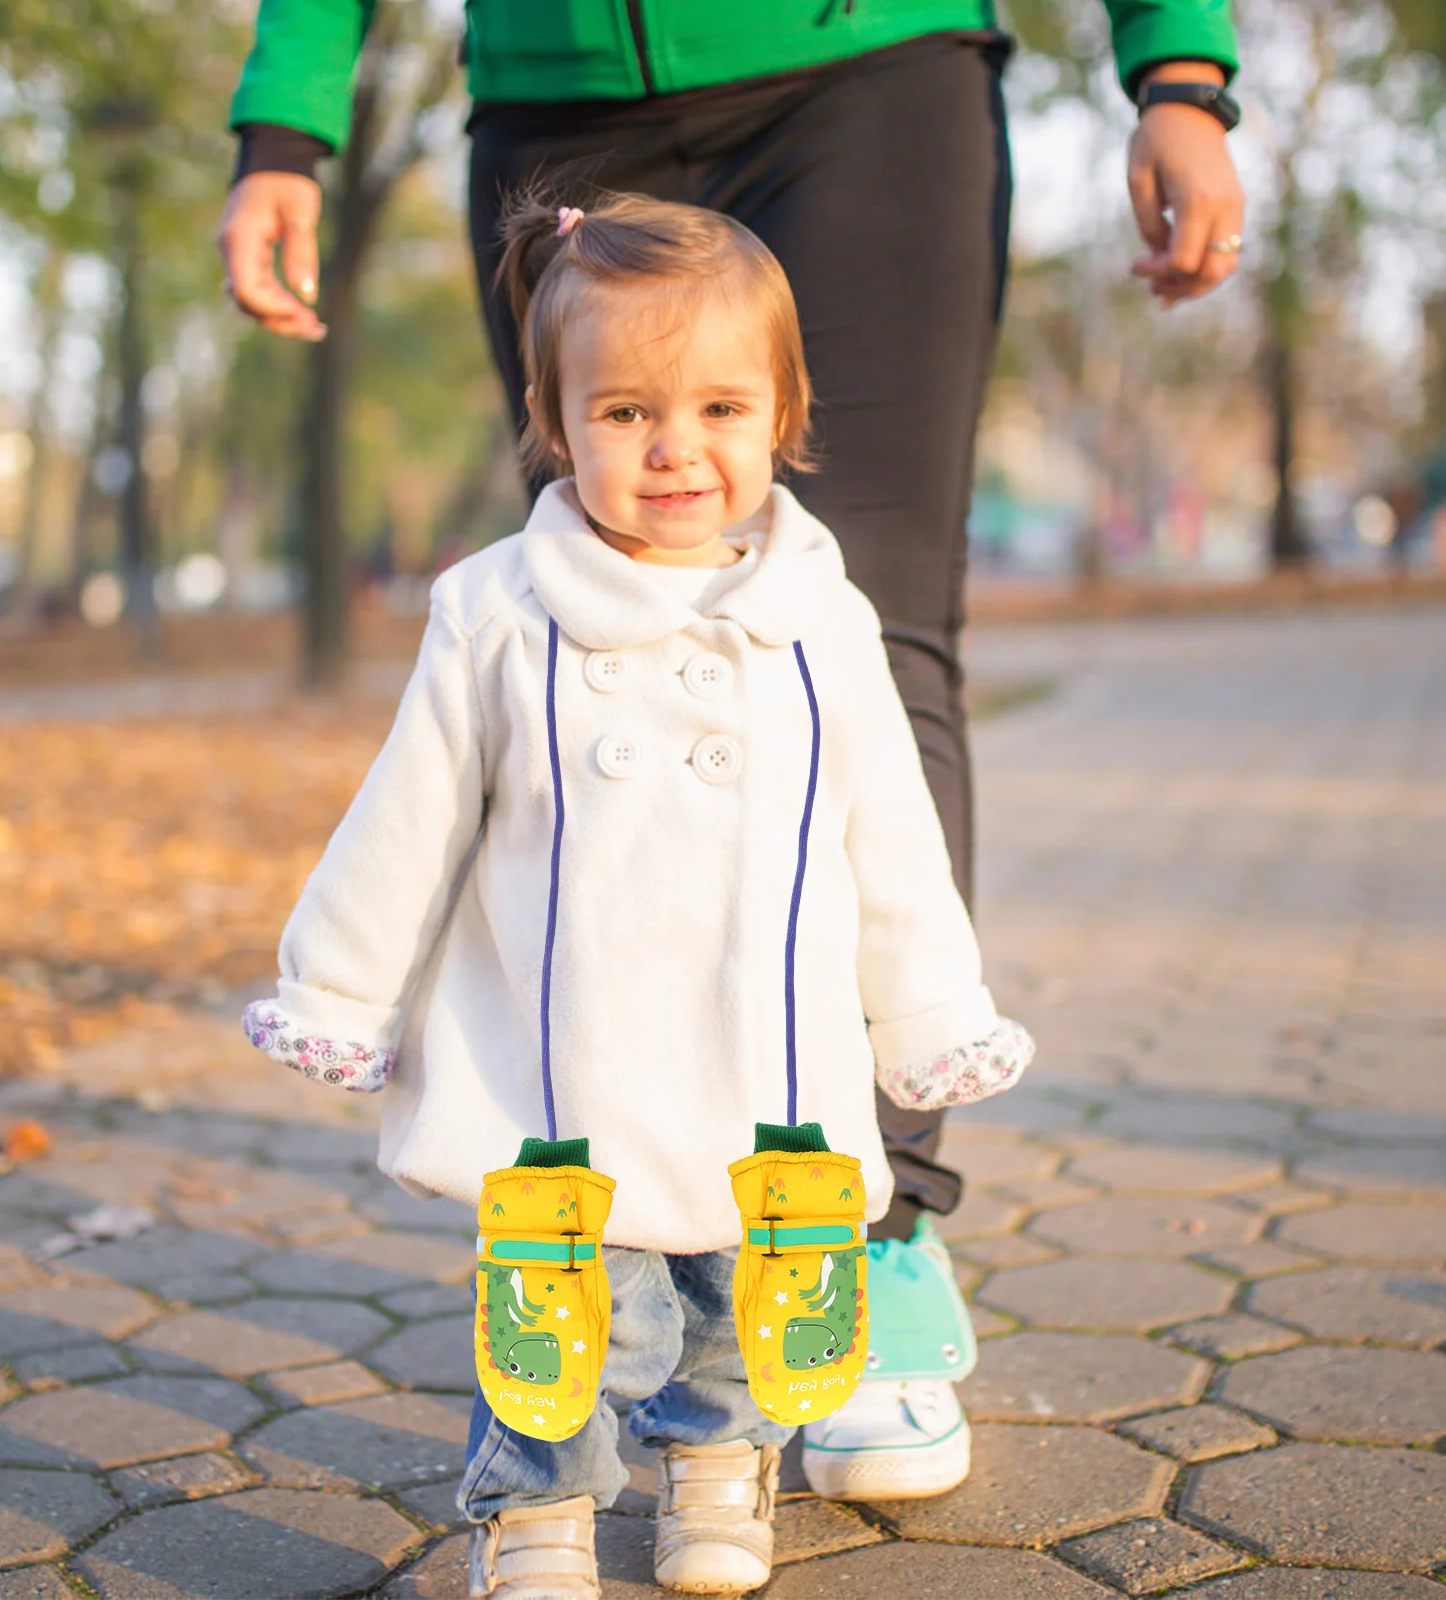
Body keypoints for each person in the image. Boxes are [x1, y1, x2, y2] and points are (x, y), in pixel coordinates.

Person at [219, 0, 1246, 1517]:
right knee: (572, 605)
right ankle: (600, 1195)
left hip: (867, 71)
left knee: (862, 637)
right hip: (559, 94)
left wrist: (1179, 69)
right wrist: (284, 123)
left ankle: (864, 1229)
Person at [240, 193, 1034, 1597]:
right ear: (554, 421)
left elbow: (891, 837)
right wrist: (340, 989)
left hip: (763, 1058)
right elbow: (407, 817)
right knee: (558, 1303)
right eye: (624, 414)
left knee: (747, 1289)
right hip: (564, 1066)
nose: (676, 448)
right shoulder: (496, 612)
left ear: (785, 410)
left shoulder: (820, 622)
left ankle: (722, 1474)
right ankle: (533, 1510)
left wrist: (929, 1015)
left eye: (721, 406)